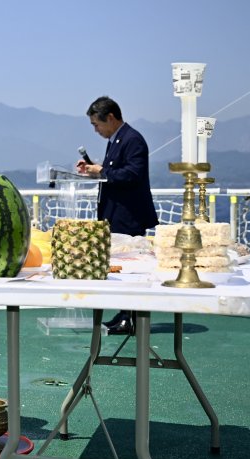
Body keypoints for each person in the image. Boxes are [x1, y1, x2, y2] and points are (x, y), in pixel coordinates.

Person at [76, 96, 158, 335]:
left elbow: (132, 174)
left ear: (110, 118)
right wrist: (95, 170)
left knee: (129, 266)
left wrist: (102, 170)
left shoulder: (132, 140)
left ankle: (130, 317)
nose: (96, 130)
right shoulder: (117, 140)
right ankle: (125, 314)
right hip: (116, 213)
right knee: (119, 265)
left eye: (97, 124)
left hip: (128, 215)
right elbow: (116, 172)